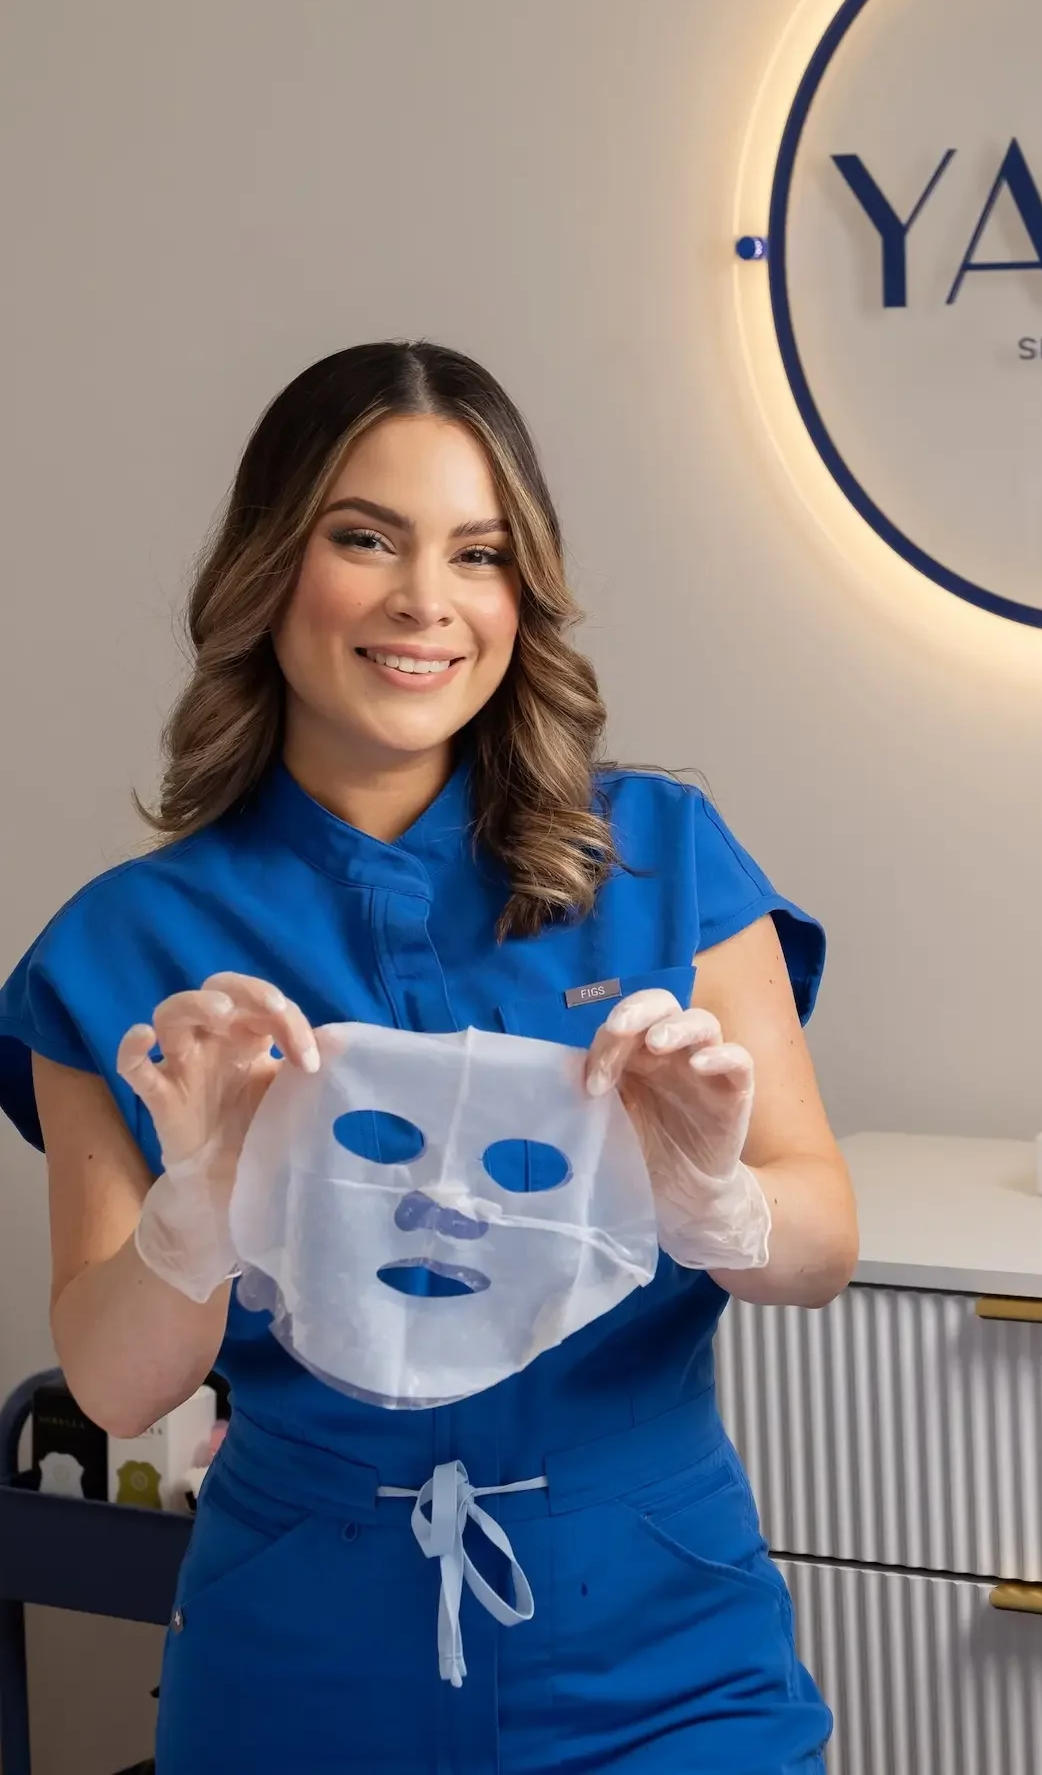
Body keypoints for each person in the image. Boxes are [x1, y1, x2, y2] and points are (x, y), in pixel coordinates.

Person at [0, 341, 858, 1773]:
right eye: (365, 539)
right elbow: (115, 1386)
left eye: (479, 553)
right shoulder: (125, 948)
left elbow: (822, 1243)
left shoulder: (658, 861)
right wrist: (194, 1213)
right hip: (298, 1661)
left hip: (660, 1653)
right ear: (273, 568)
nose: (426, 602)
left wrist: (722, 1203)